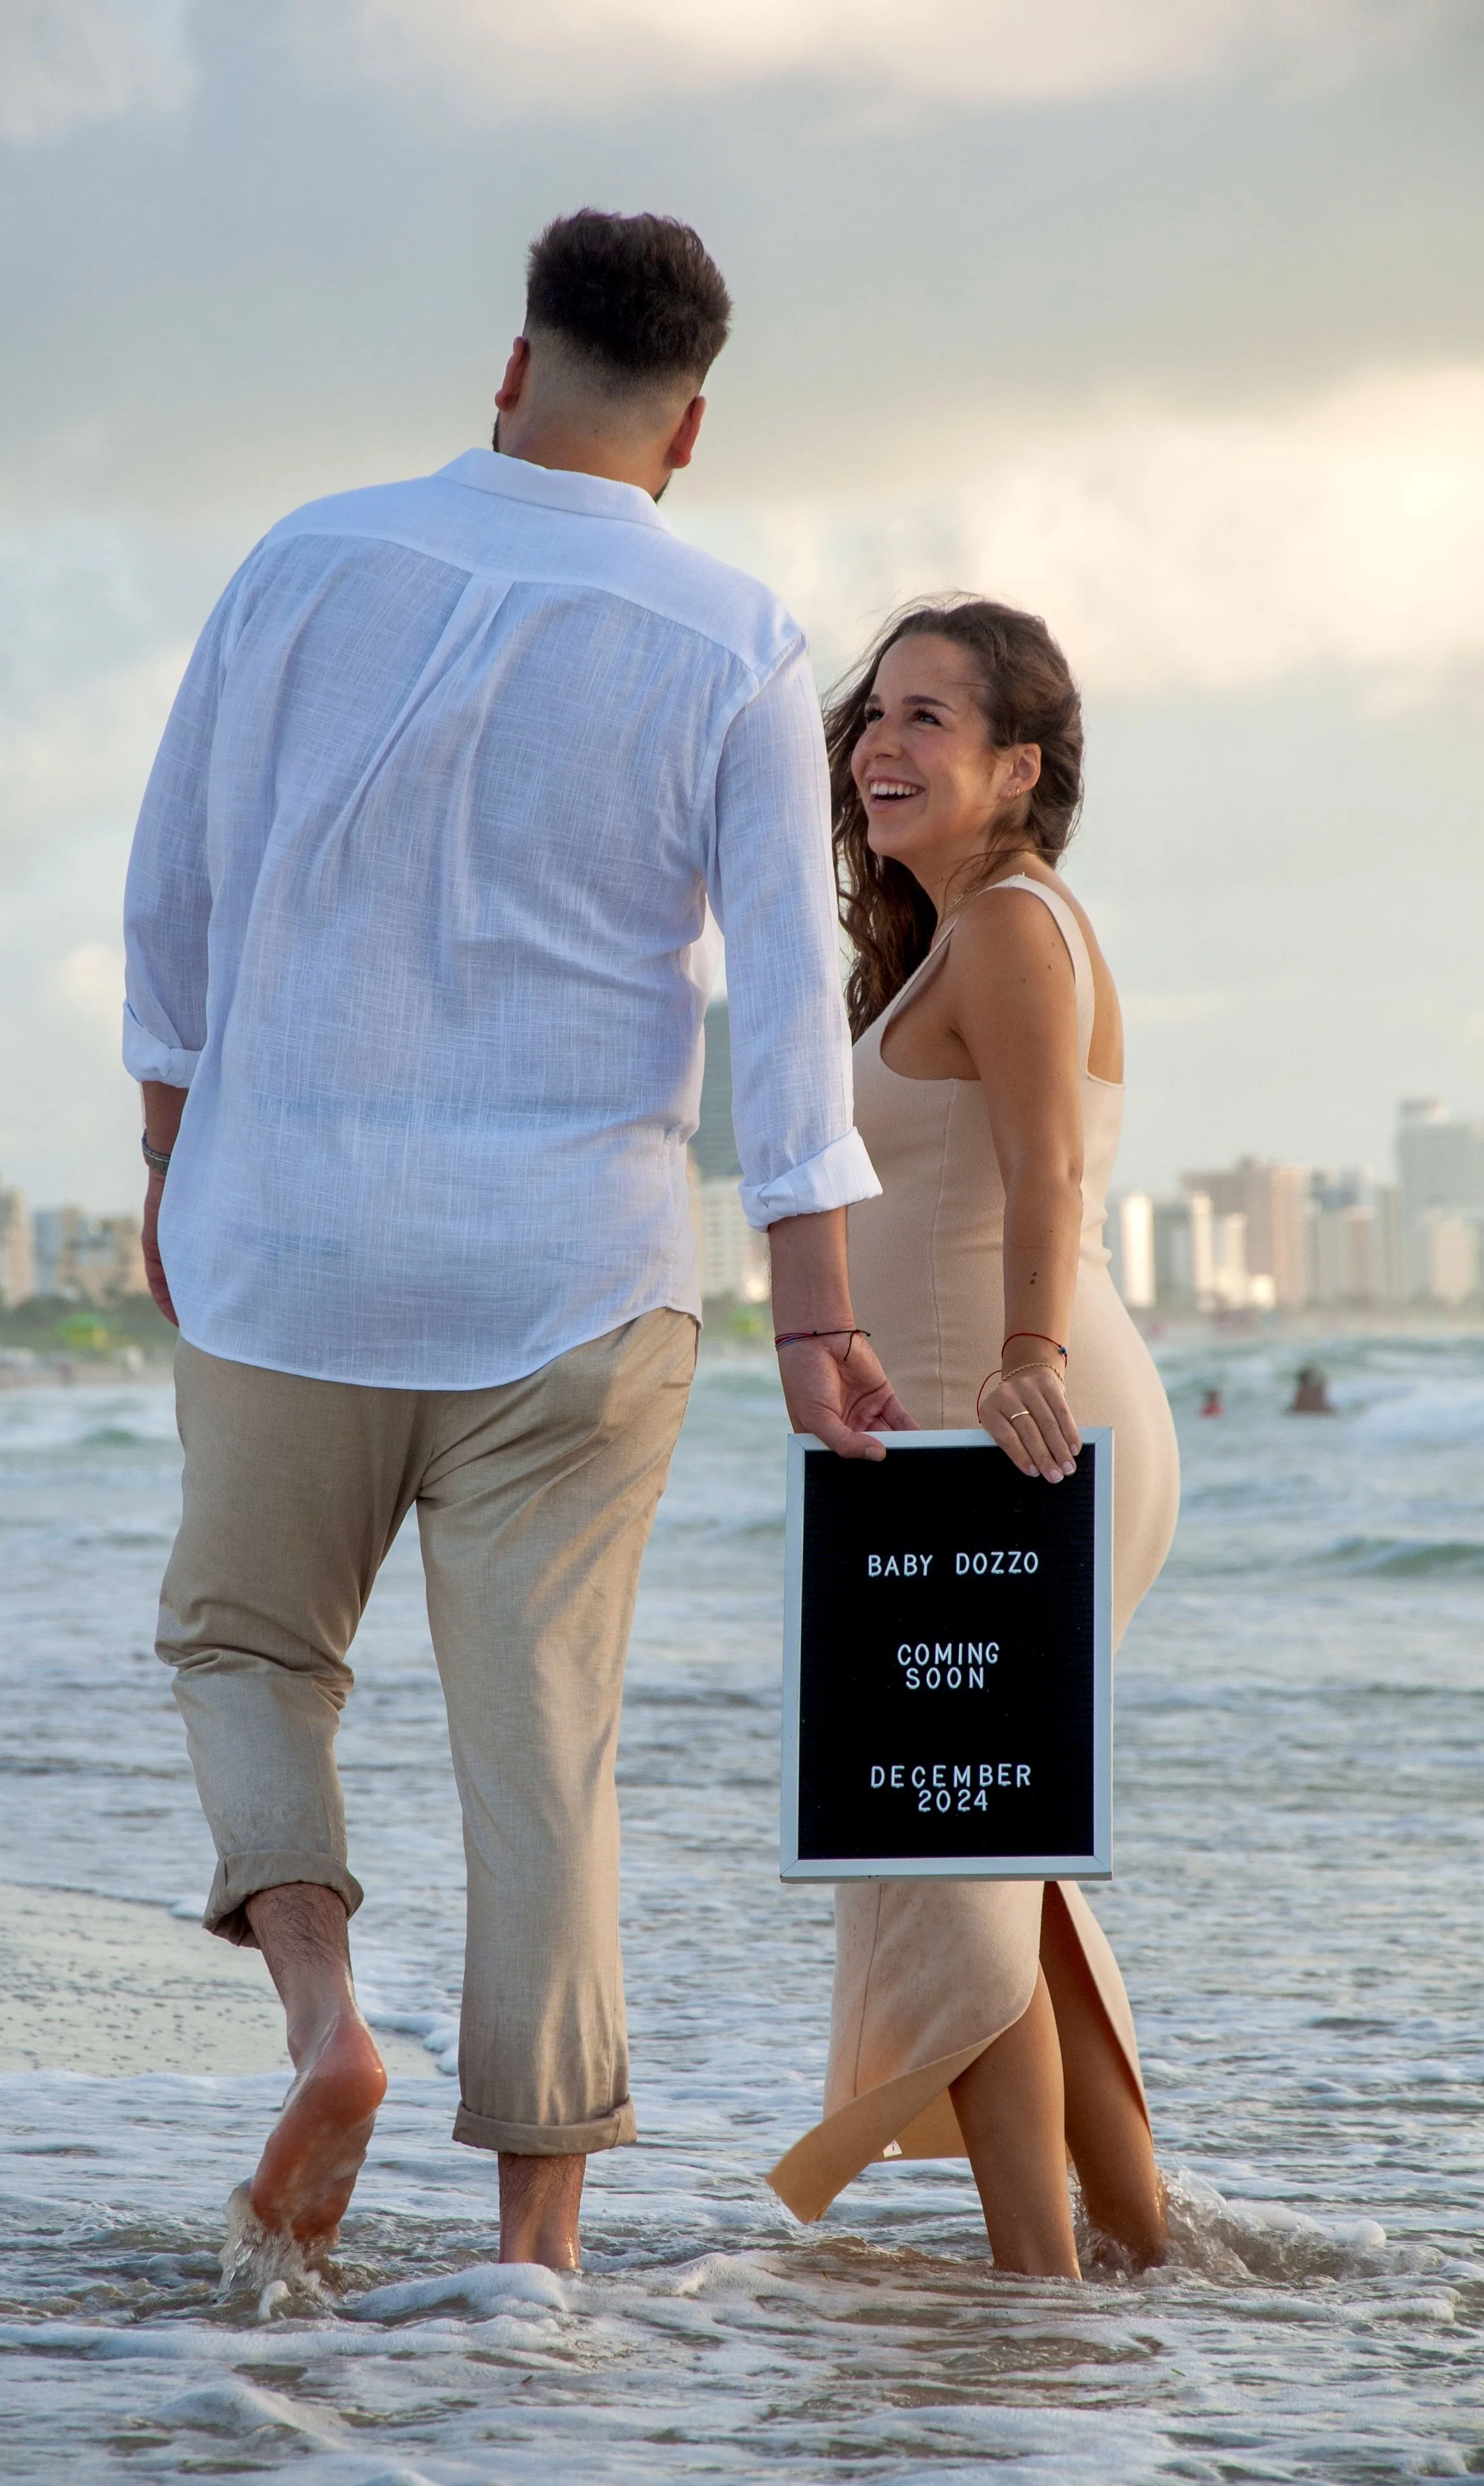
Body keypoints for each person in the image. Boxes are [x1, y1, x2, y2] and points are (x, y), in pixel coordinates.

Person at [123, 209, 907, 2275]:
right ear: (690, 428)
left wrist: (169, 1159)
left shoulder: (303, 560)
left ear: (509, 367)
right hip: (574, 1271)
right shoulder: (731, 631)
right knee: (541, 1746)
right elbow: (791, 984)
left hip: (286, 1236)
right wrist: (815, 1311)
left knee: (247, 1649)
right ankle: (531, 2265)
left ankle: (323, 2020)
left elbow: (172, 899)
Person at [767, 598, 1180, 2276]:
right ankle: (1143, 2260)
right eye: (874, 711)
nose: (880, 739)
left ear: (1017, 767)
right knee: (999, 1852)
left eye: (928, 716)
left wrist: (1016, 1359)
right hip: (980, 1426)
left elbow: (1049, 1171)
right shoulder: (959, 933)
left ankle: (1043, 2292)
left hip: (1006, 1423)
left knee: (954, 1863)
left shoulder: (1009, 923)